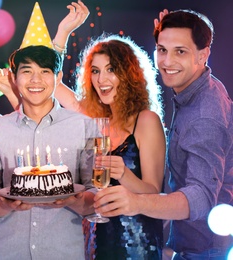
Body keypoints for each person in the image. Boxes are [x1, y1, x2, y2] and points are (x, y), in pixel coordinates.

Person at [94, 9, 233, 259]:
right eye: (161, 50)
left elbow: (201, 198)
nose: (167, 62)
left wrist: (136, 203)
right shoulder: (197, 86)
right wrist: (169, 37)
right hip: (192, 244)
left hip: (207, 249)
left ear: (204, 55)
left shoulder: (204, 113)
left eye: (180, 51)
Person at [0, 44, 96, 259]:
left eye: (44, 71)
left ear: (58, 77)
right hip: (6, 252)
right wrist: (3, 203)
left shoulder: (84, 127)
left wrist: (73, 200)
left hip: (63, 253)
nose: (35, 79)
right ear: (14, 77)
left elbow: (95, 198)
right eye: (27, 71)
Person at [54, 33, 166, 259]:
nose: (101, 79)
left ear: (128, 74)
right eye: (95, 71)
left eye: (111, 69)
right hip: (97, 239)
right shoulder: (96, 118)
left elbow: (154, 193)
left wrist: (123, 174)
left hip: (137, 244)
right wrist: (63, 32)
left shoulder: (146, 120)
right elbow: (52, 82)